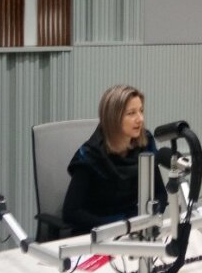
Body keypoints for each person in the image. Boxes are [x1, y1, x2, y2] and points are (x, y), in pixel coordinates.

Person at [63, 85, 168, 234]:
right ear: (113, 118)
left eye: (141, 111)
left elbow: (160, 193)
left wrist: (150, 218)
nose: (140, 119)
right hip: (99, 233)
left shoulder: (145, 144)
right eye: (131, 113)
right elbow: (71, 213)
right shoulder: (91, 156)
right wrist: (121, 226)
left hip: (136, 230)